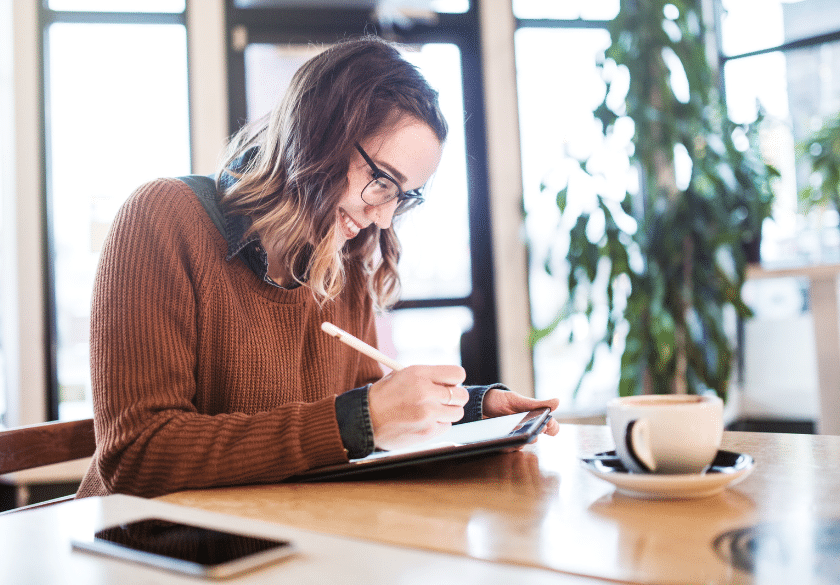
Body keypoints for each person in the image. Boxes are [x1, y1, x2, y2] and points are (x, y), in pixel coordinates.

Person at [77, 36, 559, 499]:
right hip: (150, 549)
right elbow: (137, 457)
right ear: (319, 132)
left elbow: (360, 400)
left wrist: (472, 410)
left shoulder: (341, 258)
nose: (385, 216)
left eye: (404, 196)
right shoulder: (164, 217)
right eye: (383, 182)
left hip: (279, 532)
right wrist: (357, 419)